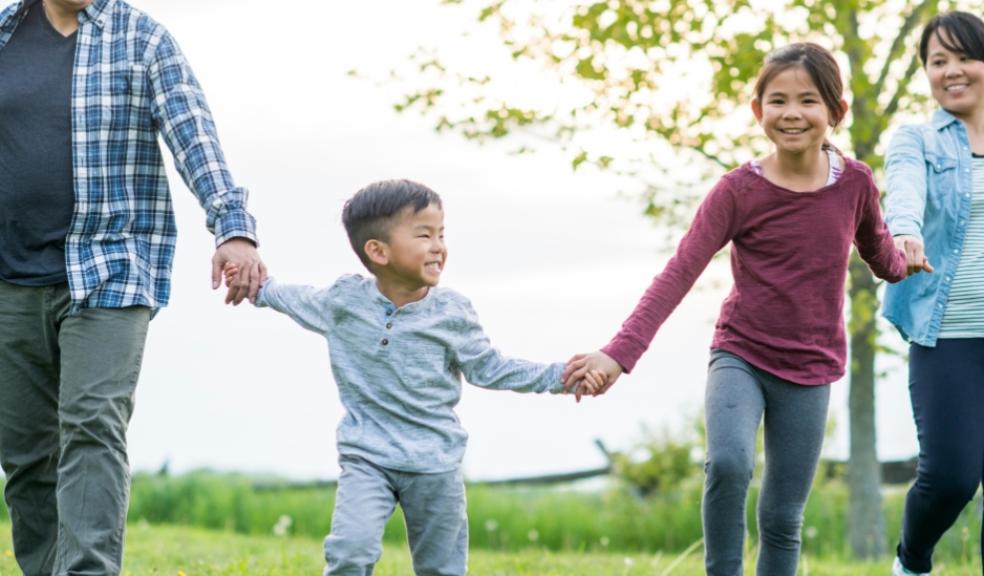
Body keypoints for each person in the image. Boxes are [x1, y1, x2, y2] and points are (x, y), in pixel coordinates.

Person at [563, 43, 909, 576]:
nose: (792, 113)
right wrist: (618, 353)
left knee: (782, 517)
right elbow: (678, 274)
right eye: (778, 101)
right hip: (741, 354)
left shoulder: (857, 183)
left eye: (809, 101)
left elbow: (880, 254)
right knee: (728, 463)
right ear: (758, 111)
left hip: (812, 367)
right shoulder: (737, 191)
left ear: (836, 112)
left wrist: (906, 257)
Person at [0, 0, 264, 574]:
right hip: (10, 278)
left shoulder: (142, 39)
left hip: (111, 264)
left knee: (92, 423)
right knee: (23, 454)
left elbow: (196, 137)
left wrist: (233, 228)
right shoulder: (3, 33)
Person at [226, 179, 603, 575]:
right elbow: (286, 295)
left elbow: (491, 367)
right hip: (367, 457)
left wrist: (563, 376)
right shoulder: (344, 302)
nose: (439, 245)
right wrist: (251, 281)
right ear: (378, 251)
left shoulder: (452, 313)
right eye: (424, 235)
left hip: (435, 462)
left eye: (441, 234)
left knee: (441, 569)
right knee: (349, 551)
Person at [882, 11, 984, 576]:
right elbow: (903, 191)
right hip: (948, 334)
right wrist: (904, 232)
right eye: (936, 61)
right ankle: (912, 560)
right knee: (950, 476)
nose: (950, 71)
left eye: (963, 56)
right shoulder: (917, 139)